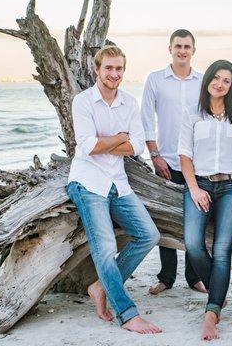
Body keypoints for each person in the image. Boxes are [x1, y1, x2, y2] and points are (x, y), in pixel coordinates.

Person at [66, 45, 162, 334]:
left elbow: (137, 146)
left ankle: (99, 286)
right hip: (87, 182)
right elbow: (87, 147)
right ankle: (128, 314)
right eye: (108, 68)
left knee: (149, 235)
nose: (114, 73)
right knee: (105, 249)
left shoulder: (130, 104)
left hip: (118, 183)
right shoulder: (83, 102)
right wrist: (120, 137)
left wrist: (109, 141)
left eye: (119, 68)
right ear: (97, 70)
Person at [178, 59, 232, 341]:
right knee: (193, 244)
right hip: (199, 184)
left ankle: (212, 313)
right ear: (208, 78)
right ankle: (218, 290)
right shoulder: (192, 113)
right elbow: (184, 155)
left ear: (231, 86)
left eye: (227, 80)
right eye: (216, 78)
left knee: (222, 250)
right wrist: (195, 189)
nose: (220, 84)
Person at [141, 29, 206, 295]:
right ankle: (166, 277)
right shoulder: (155, 80)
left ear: (193, 50)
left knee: (196, 221)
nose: (182, 50)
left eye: (187, 46)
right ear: (170, 49)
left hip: (196, 162)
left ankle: (194, 277)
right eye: (178, 46)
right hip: (165, 160)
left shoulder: (203, 81)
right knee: (165, 219)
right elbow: (146, 119)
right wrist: (154, 155)